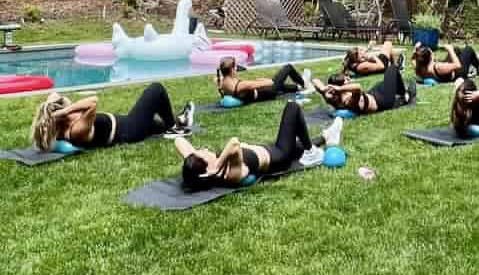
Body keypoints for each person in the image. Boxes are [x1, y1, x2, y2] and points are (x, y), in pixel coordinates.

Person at [178, 102, 344, 190]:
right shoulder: (230, 173)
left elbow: (178, 141)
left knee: (298, 141)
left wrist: (191, 156)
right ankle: (311, 152)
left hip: (269, 148)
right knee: (292, 107)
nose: (203, 149)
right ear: (208, 169)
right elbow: (234, 143)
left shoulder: (207, 166)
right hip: (279, 155)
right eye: (201, 153)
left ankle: (327, 137)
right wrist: (218, 165)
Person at [31, 83, 194, 152]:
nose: (67, 102)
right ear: (62, 115)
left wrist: (52, 111)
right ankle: (175, 127)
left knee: (158, 123)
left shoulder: (63, 127)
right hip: (129, 130)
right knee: (156, 89)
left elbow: (54, 94)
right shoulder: (75, 130)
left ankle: (178, 121)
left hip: (125, 123)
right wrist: (64, 111)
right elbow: (93, 102)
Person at [313, 63, 415, 114]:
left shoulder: (333, 98)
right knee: (392, 69)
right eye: (346, 79)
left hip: (373, 94)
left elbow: (314, 80)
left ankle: (398, 89)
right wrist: (339, 89)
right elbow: (358, 88)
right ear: (342, 87)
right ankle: (405, 95)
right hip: (383, 101)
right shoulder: (347, 101)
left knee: (385, 82)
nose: (349, 78)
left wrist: (323, 89)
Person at [216, 57, 312, 103]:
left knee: (280, 86)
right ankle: (304, 83)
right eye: (236, 67)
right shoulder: (242, 85)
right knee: (288, 67)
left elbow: (221, 87)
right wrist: (267, 80)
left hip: (257, 93)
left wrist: (259, 80)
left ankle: (297, 87)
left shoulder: (223, 82)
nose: (237, 69)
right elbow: (270, 83)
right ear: (232, 69)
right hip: (268, 93)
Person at [412, 42, 479, 83]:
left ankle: (471, 62)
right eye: (431, 52)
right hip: (458, 73)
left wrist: (416, 49)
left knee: (456, 49)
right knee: (468, 49)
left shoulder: (419, 68)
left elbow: (413, 59)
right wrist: (450, 49)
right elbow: (458, 65)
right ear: (430, 57)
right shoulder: (438, 67)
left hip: (444, 72)